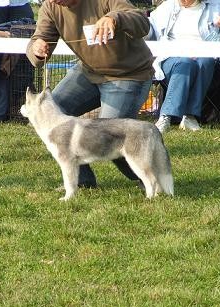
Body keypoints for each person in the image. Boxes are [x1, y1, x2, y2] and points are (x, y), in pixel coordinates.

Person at [26, 0, 154, 189]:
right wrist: (37, 49)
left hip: (129, 75)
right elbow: (38, 40)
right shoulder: (50, 7)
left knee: (110, 134)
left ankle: (149, 178)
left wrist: (114, 18)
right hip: (88, 72)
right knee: (51, 110)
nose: (53, 1)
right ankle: (81, 180)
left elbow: (142, 23)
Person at [148, 0, 220, 133]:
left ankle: (189, 116)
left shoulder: (218, 5)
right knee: (185, 63)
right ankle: (166, 117)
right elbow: (148, 26)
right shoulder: (168, 6)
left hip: (206, 59)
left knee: (206, 60)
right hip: (172, 57)